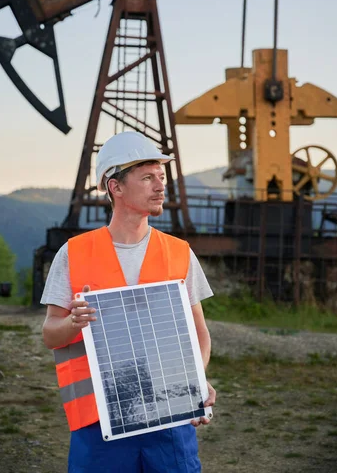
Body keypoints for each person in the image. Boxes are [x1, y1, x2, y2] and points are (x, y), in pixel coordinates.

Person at [41, 131, 216, 473]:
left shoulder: (179, 253)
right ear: (115, 187)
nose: (159, 186)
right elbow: (50, 334)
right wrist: (72, 323)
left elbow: (200, 334)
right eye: (147, 177)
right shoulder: (73, 254)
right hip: (99, 425)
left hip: (169, 418)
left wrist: (194, 379)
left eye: (161, 177)